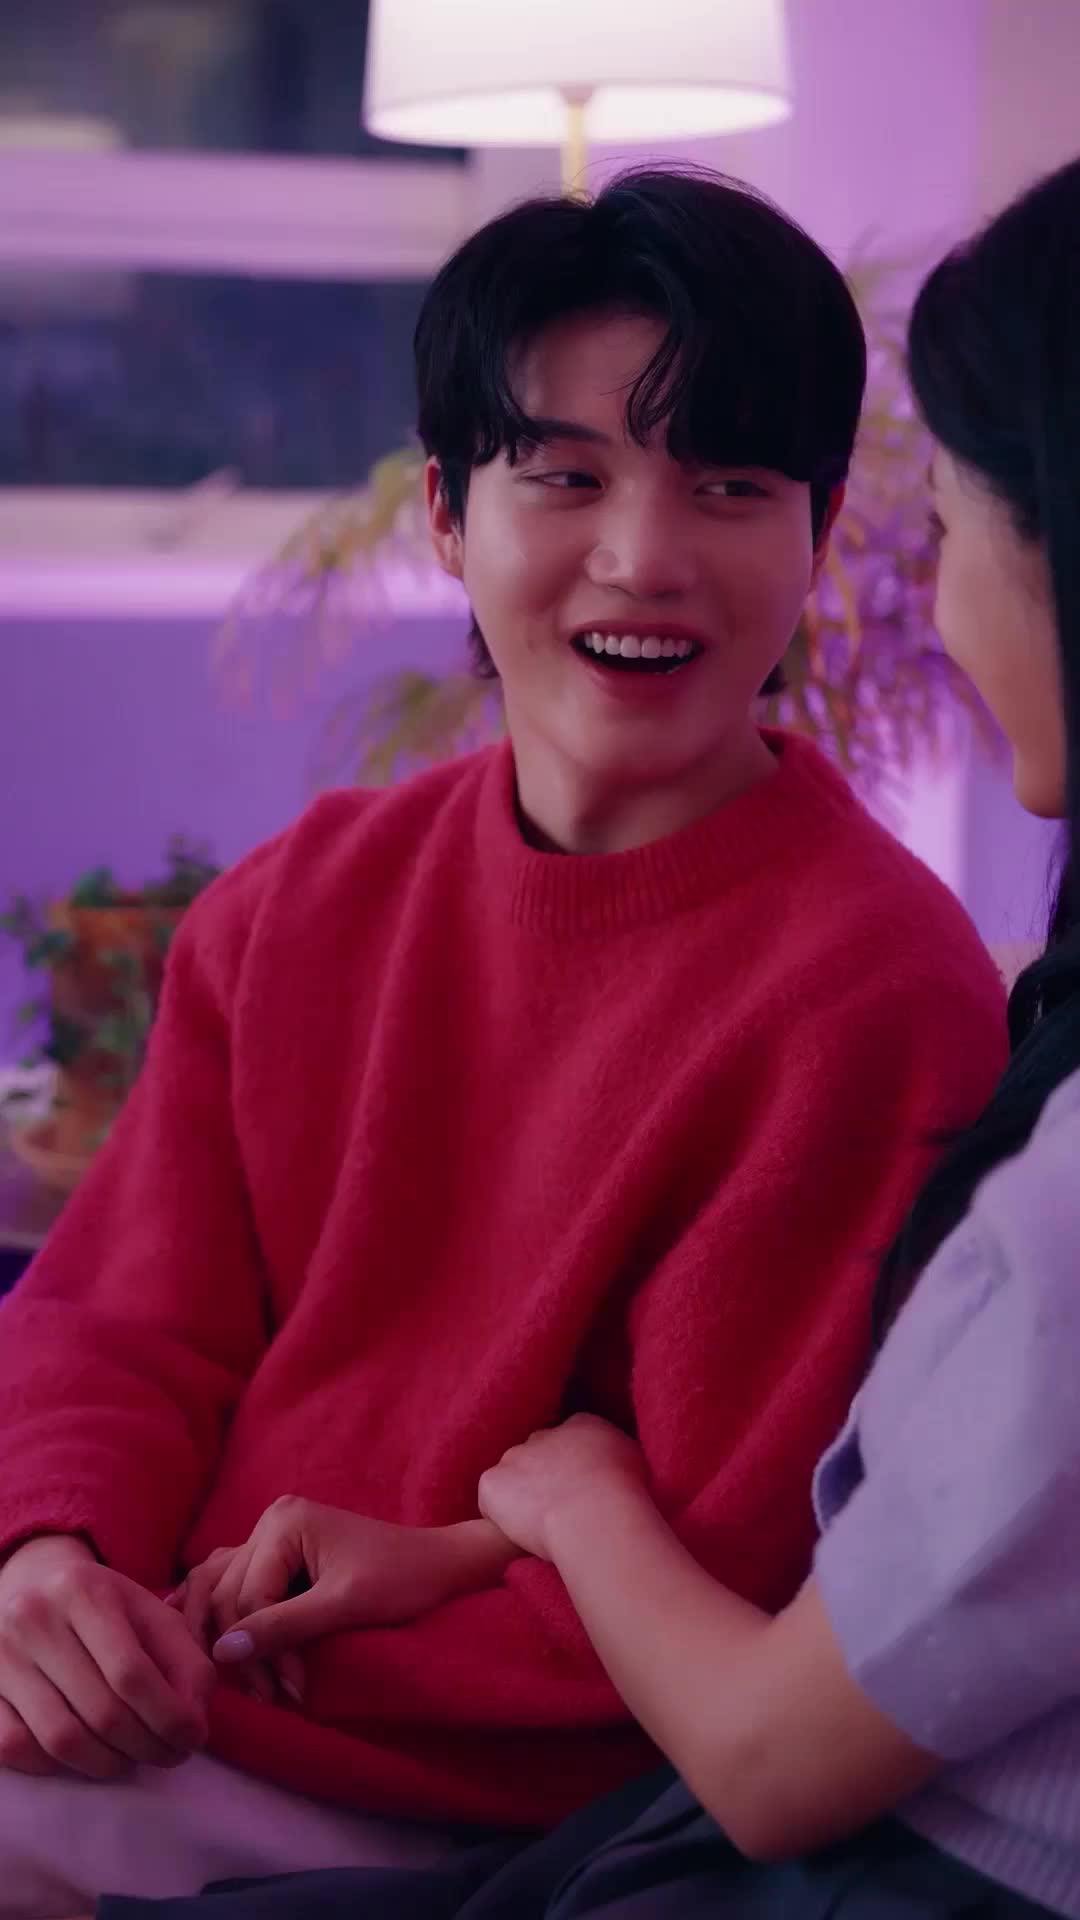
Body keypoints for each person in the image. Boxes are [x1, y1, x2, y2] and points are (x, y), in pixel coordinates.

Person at [0, 169, 1004, 1917]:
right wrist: (50, 1560)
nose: (645, 557)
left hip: (467, 1797)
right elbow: (121, 1324)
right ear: (449, 514)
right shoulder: (298, 903)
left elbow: (742, 1565)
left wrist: (221, 1657)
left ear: (822, 531)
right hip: (168, 1703)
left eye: (730, 486)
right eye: (566, 475)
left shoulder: (877, 997)